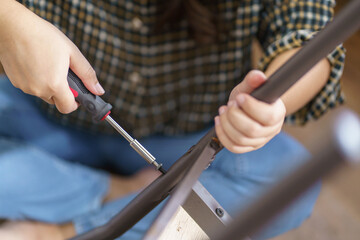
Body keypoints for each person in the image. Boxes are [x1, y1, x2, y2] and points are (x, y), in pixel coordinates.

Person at [0, 0, 345, 239]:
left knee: (290, 185)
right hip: (36, 119)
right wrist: (9, 21)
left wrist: (271, 101)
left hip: (191, 138)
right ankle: (125, 193)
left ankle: (65, 230)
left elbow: (309, 34)